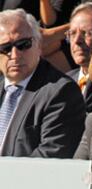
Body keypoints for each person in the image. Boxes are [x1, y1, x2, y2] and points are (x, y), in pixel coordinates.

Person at [0, 9, 85, 158]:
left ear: (39, 45)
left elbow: (50, 155)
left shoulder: (61, 92)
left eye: (23, 44)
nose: (14, 55)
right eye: (5, 48)